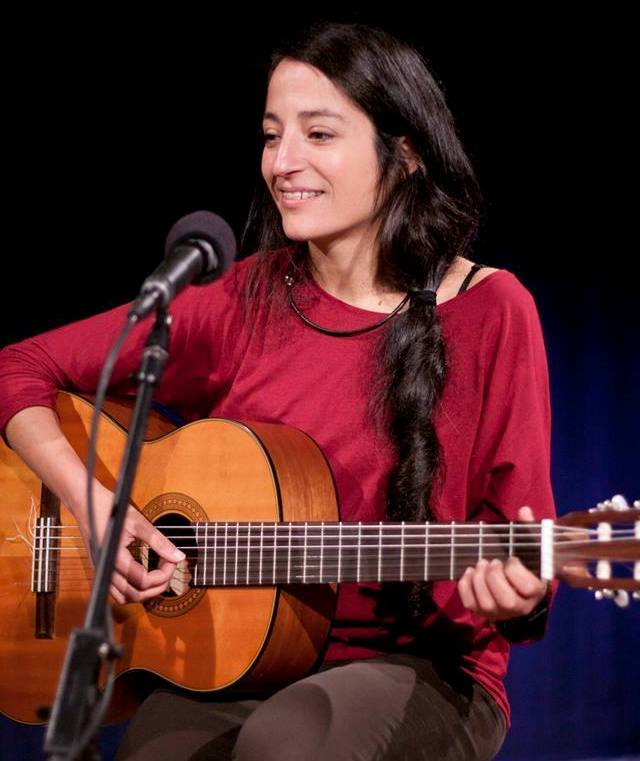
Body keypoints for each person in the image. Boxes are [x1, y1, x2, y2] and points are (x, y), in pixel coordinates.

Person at [0, 21, 555, 761]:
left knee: (287, 745)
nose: (281, 162)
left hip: (424, 670)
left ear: (405, 154)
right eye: (271, 135)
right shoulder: (242, 298)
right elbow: (20, 367)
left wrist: (520, 591)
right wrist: (93, 503)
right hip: (237, 655)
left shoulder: (492, 309)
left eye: (318, 134)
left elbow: (526, 538)